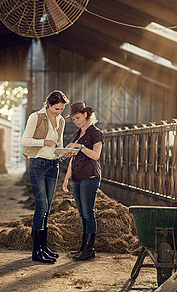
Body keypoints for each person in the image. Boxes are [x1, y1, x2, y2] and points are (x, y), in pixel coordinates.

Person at [21, 90, 69, 263]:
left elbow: (59, 144)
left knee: (48, 208)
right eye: (56, 109)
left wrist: (64, 153)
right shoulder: (36, 117)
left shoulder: (61, 120)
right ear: (48, 105)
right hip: (38, 164)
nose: (59, 112)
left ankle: (43, 247)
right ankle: (36, 252)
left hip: (53, 165)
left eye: (62, 109)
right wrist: (44, 142)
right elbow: (24, 140)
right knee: (41, 206)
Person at [62, 101, 104, 261]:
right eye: (73, 119)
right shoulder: (76, 135)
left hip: (90, 176)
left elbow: (95, 156)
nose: (76, 121)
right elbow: (73, 159)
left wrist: (79, 147)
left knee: (88, 213)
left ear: (86, 115)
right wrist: (66, 179)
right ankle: (83, 248)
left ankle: (89, 250)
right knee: (82, 214)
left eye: (77, 117)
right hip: (77, 178)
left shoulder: (96, 133)